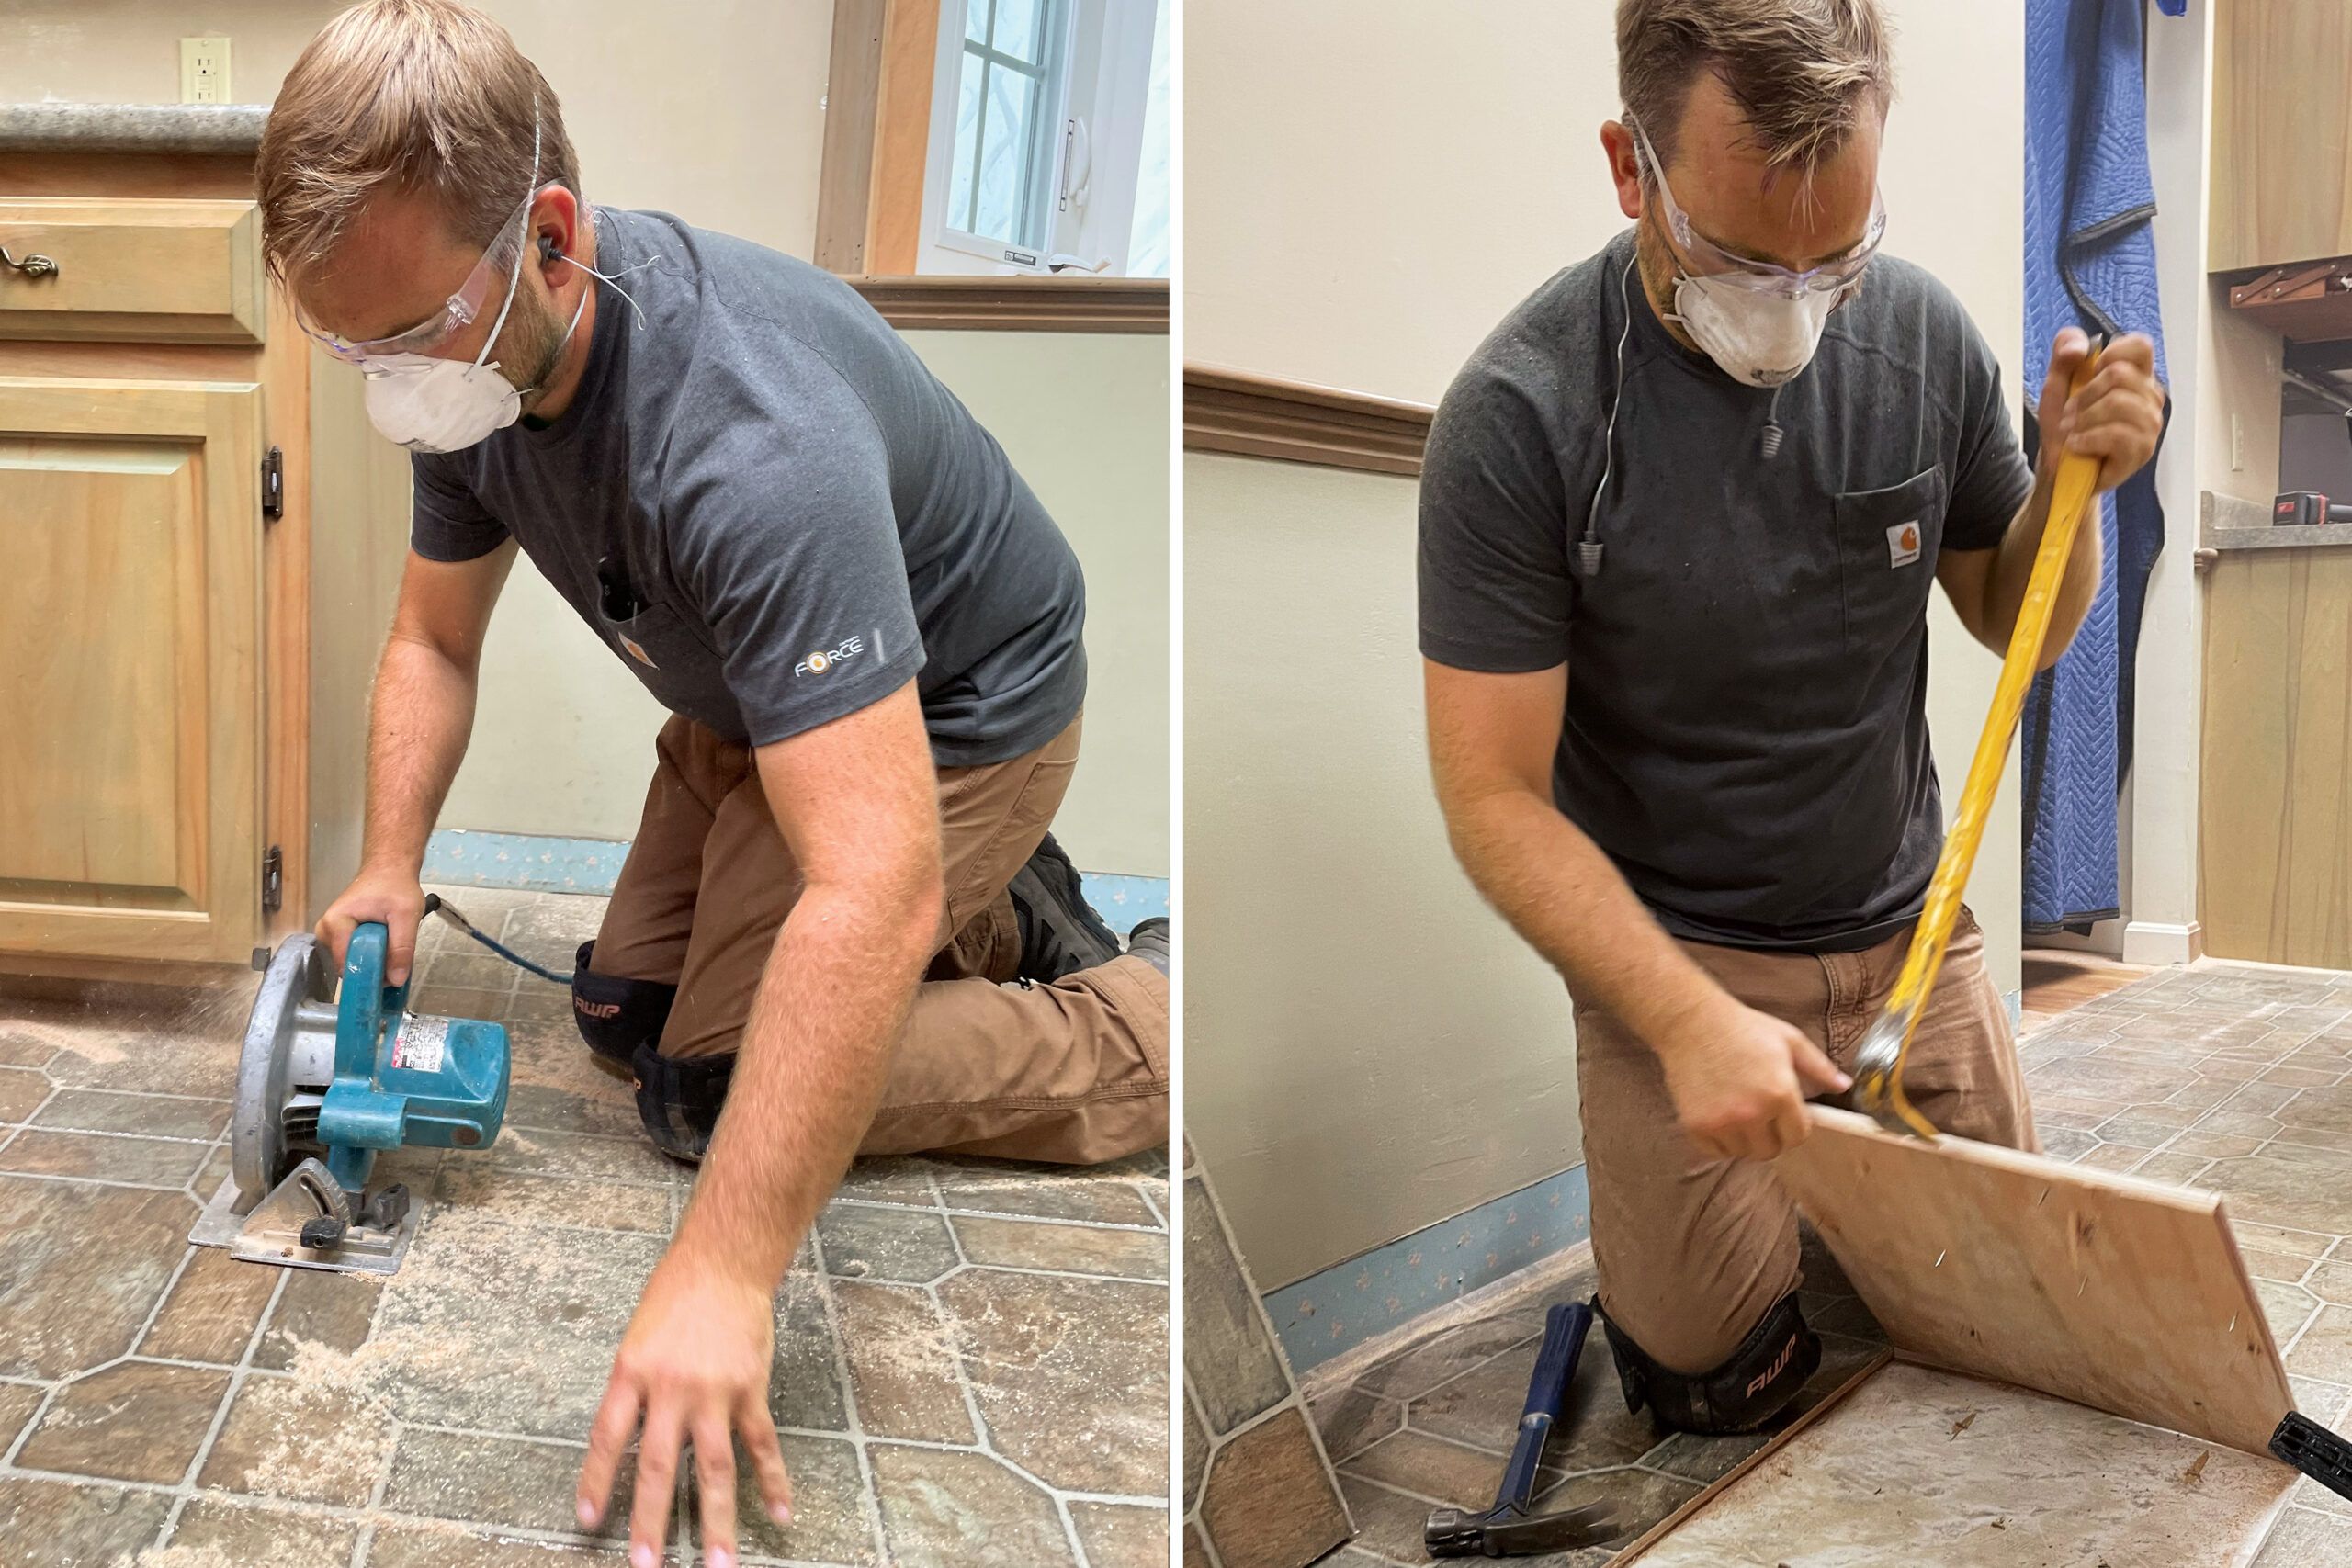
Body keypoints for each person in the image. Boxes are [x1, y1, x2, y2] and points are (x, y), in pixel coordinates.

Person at [256, 2, 1170, 1559]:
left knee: (724, 1089)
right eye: (349, 349)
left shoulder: (750, 441)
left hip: (961, 708)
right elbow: (432, 642)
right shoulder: (469, 360)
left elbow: (866, 887)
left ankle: (1140, 1018)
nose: (386, 383)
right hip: (760, 712)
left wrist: (726, 1271)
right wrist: (388, 865)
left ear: (550, 237)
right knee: (621, 1019)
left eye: (402, 339)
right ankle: (989, 902)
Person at [1418, 0, 2163, 1438]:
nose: (1801, 302)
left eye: (1841, 254)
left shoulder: (1926, 341)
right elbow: (1492, 797)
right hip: (1680, 961)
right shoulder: (1520, 417)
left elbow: (2021, 624)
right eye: (1750, 258)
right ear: (1631, 171)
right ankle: (1777, 1189)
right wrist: (1685, 1023)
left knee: (2017, 1340)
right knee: (1717, 1391)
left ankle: (1847, 1150)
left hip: (1909, 941)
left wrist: (2079, 493)